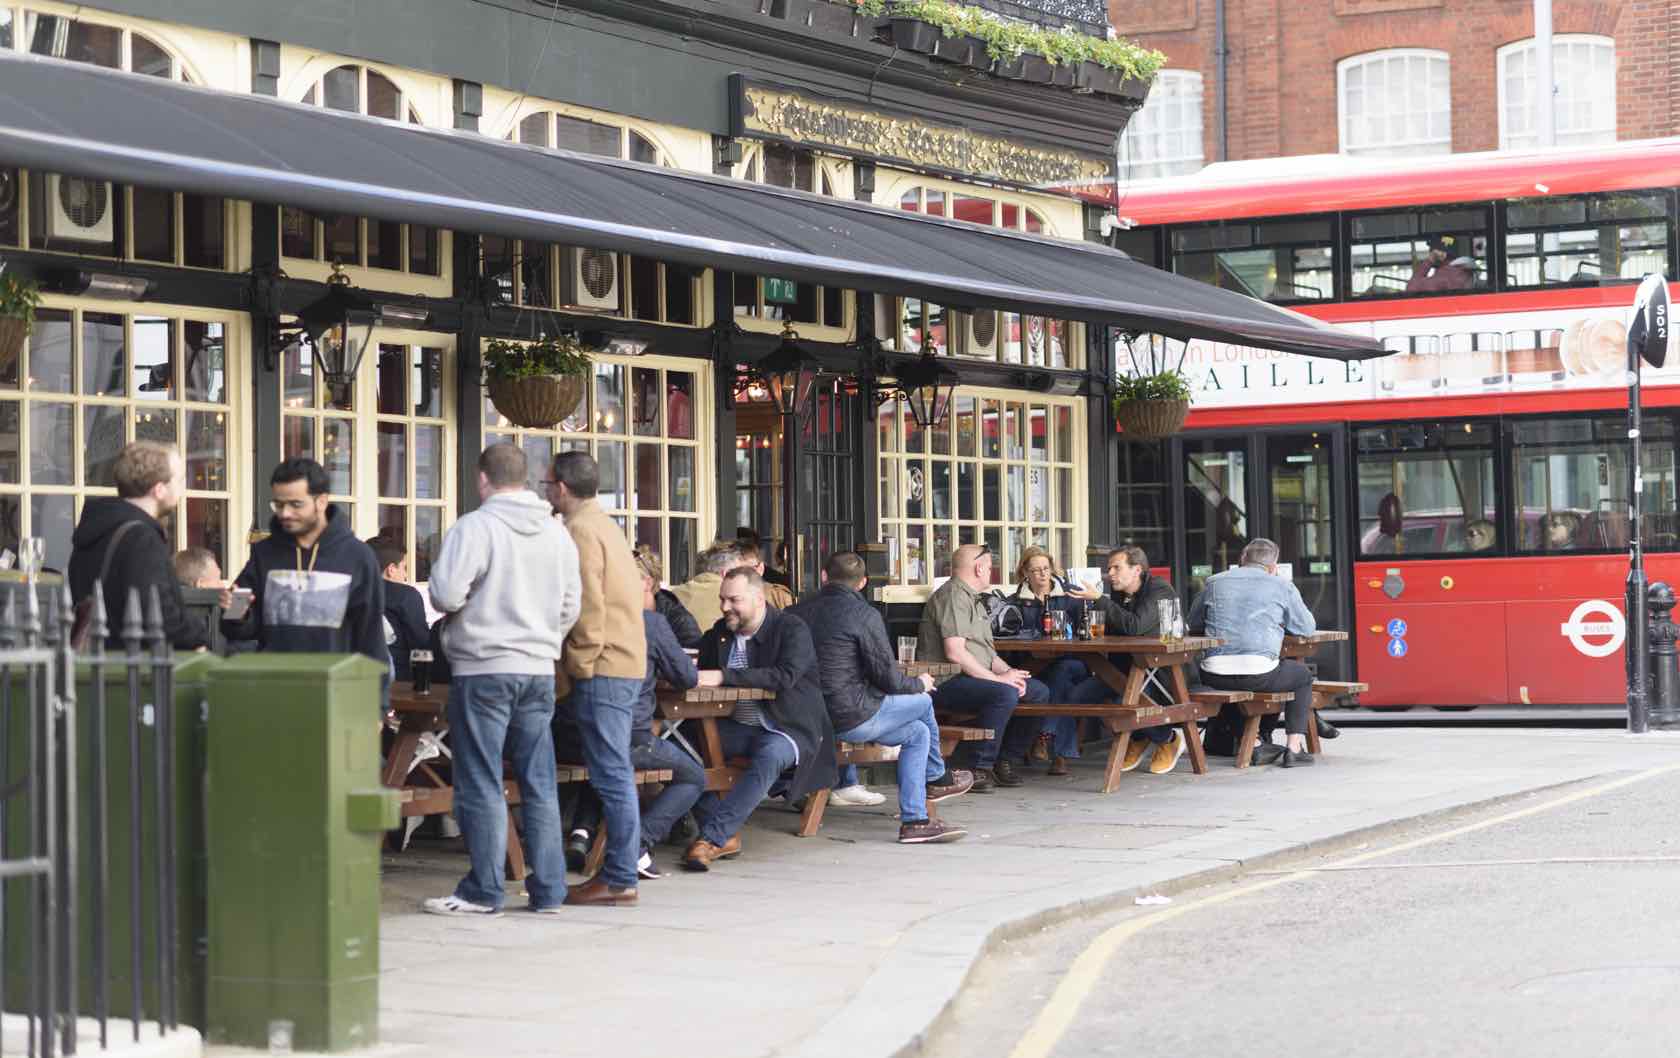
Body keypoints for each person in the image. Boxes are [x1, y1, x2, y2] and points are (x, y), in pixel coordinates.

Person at [421, 444, 581, 917]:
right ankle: (549, 890)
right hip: (537, 668)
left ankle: (484, 890)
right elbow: (572, 605)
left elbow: (446, 593)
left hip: (484, 666)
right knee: (539, 780)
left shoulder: (476, 527)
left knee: (481, 779)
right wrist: (545, 638)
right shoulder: (557, 534)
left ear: (482, 478)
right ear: (527, 478)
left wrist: (459, 626)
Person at [792, 551, 973, 843]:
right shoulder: (864, 614)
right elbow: (887, 677)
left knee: (917, 733)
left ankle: (915, 821)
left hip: (805, 716)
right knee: (924, 701)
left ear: (824, 576)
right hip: (848, 716)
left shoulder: (796, 611)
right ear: (863, 582)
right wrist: (920, 683)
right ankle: (937, 777)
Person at [545, 451, 649, 907]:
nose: (547, 492)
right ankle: (620, 873)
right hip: (621, 662)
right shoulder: (605, 524)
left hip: (603, 666)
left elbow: (587, 605)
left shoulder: (581, 531)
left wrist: (579, 666)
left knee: (611, 775)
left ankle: (621, 876)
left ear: (562, 487)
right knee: (614, 772)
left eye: (548, 484)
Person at [683, 568, 836, 870]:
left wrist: (722, 676)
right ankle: (724, 832)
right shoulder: (720, 633)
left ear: (758, 598)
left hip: (787, 726)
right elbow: (700, 671)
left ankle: (712, 838)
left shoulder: (792, 629)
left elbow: (784, 676)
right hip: (736, 726)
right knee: (682, 750)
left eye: (734, 600)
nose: (725, 607)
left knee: (769, 756)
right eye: (722, 600)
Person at [220, 459, 384, 667]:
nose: (285, 513)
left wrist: (377, 697)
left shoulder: (358, 557)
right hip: (275, 686)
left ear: (321, 502)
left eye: (296, 504)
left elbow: (372, 639)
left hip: (336, 686)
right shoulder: (264, 553)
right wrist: (236, 613)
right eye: (278, 504)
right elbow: (235, 625)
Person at [918, 544, 1049, 791]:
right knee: (1003, 693)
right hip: (946, 681)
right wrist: (999, 681)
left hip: (974, 677)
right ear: (978, 568)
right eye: (990, 567)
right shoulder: (953, 596)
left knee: (1038, 691)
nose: (992, 571)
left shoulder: (975, 599)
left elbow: (987, 655)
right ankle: (975, 767)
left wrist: (1011, 674)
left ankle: (1005, 760)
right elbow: (955, 652)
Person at [1188, 538, 1320, 767]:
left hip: (1213, 673)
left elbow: (1193, 622)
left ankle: (1256, 743)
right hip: (1260, 674)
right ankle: (1294, 748)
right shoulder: (1281, 585)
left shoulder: (1213, 582)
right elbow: (1307, 628)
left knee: (1233, 683)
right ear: (1273, 567)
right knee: (1302, 676)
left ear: (1241, 560)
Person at [69, 441, 208, 650]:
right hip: (135, 670)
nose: (183, 488)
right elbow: (159, 617)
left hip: (96, 667)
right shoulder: (142, 539)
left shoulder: (96, 529)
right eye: (179, 480)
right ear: (159, 490)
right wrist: (198, 632)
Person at [1066, 546, 1186, 776]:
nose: (1110, 572)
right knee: (1077, 696)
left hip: (1159, 673)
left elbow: (1134, 626)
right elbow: (1112, 629)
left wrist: (1100, 600)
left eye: (1116, 567)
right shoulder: (1119, 593)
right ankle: (1140, 736)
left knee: (1125, 699)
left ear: (1136, 570)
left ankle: (1168, 738)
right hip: (1121, 672)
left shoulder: (1159, 589)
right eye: (1109, 567)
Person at [1010, 545, 1082, 775]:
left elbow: (1086, 628)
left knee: (1062, 672)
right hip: (1034, 664)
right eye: (1036, 570)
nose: (1042, 574)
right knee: (1064, 690)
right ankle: (1062, 755)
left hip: (1073, 661)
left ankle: (1044, 735)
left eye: (1046, 568)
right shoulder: (1016, 601)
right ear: (1025, 573)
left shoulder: (1070, 595)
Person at [370, 538, 431, 683]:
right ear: (391, 569)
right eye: (404, 568)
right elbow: (421, 644)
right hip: (397, 681)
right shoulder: (405, 595)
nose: (405, 575)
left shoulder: (348, 592)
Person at [633, 544, 702, 648]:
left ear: (648, 583)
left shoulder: (679, 621)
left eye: (627, 580)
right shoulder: (617, 614)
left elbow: (692, 659)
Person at [668, 540, 741, 635]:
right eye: (740, 573)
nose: (743, 577)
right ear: (726, 573)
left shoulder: (673, 594)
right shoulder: (733, 598)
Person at [736, 538, 795, 610]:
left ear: (760, 568)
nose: (740, 577)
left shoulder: (778, 596)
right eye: (733, 572)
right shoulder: (723, 597)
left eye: (747, 571)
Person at [1405, 235, 1474, 293]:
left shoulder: (1446, 274)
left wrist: (1429, 261)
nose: (1430, 253)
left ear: (1442, 254)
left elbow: (1411, 288)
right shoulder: (1459, 270)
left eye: (1432, 251)